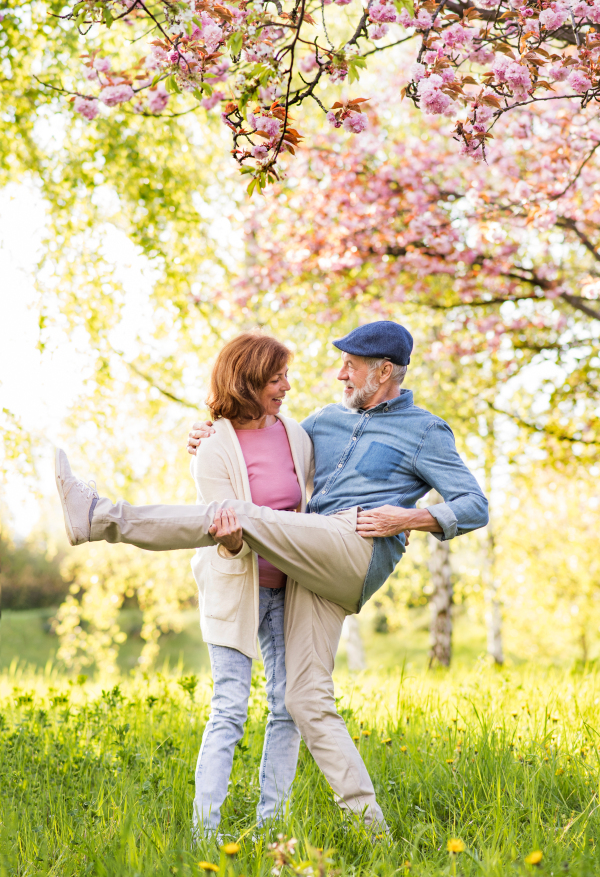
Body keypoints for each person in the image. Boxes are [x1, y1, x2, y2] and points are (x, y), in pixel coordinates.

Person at [55, 319, 489, 829]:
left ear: (385, 371)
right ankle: (372, 827)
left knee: (242, 514)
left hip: (357, 548)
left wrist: (409, 517)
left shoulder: (424, 431)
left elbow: (475, 505)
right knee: (303, 699)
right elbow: (265, 444)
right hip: (308, 556)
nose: (340, 375)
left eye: (351, 366)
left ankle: (103, 518)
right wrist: (210, 432)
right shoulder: (322, 422)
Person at [187, 333, 310, 838]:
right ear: (248, 379)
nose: (286, 385)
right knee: (230, 708)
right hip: (235, 588)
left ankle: (270, 828)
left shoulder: (296, 434)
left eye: (285, 374)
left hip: (289, 591)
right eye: (276, 377)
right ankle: (205, 832)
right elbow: (224, 533)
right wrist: (235, 543)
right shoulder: (213, 446)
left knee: (288, 707)